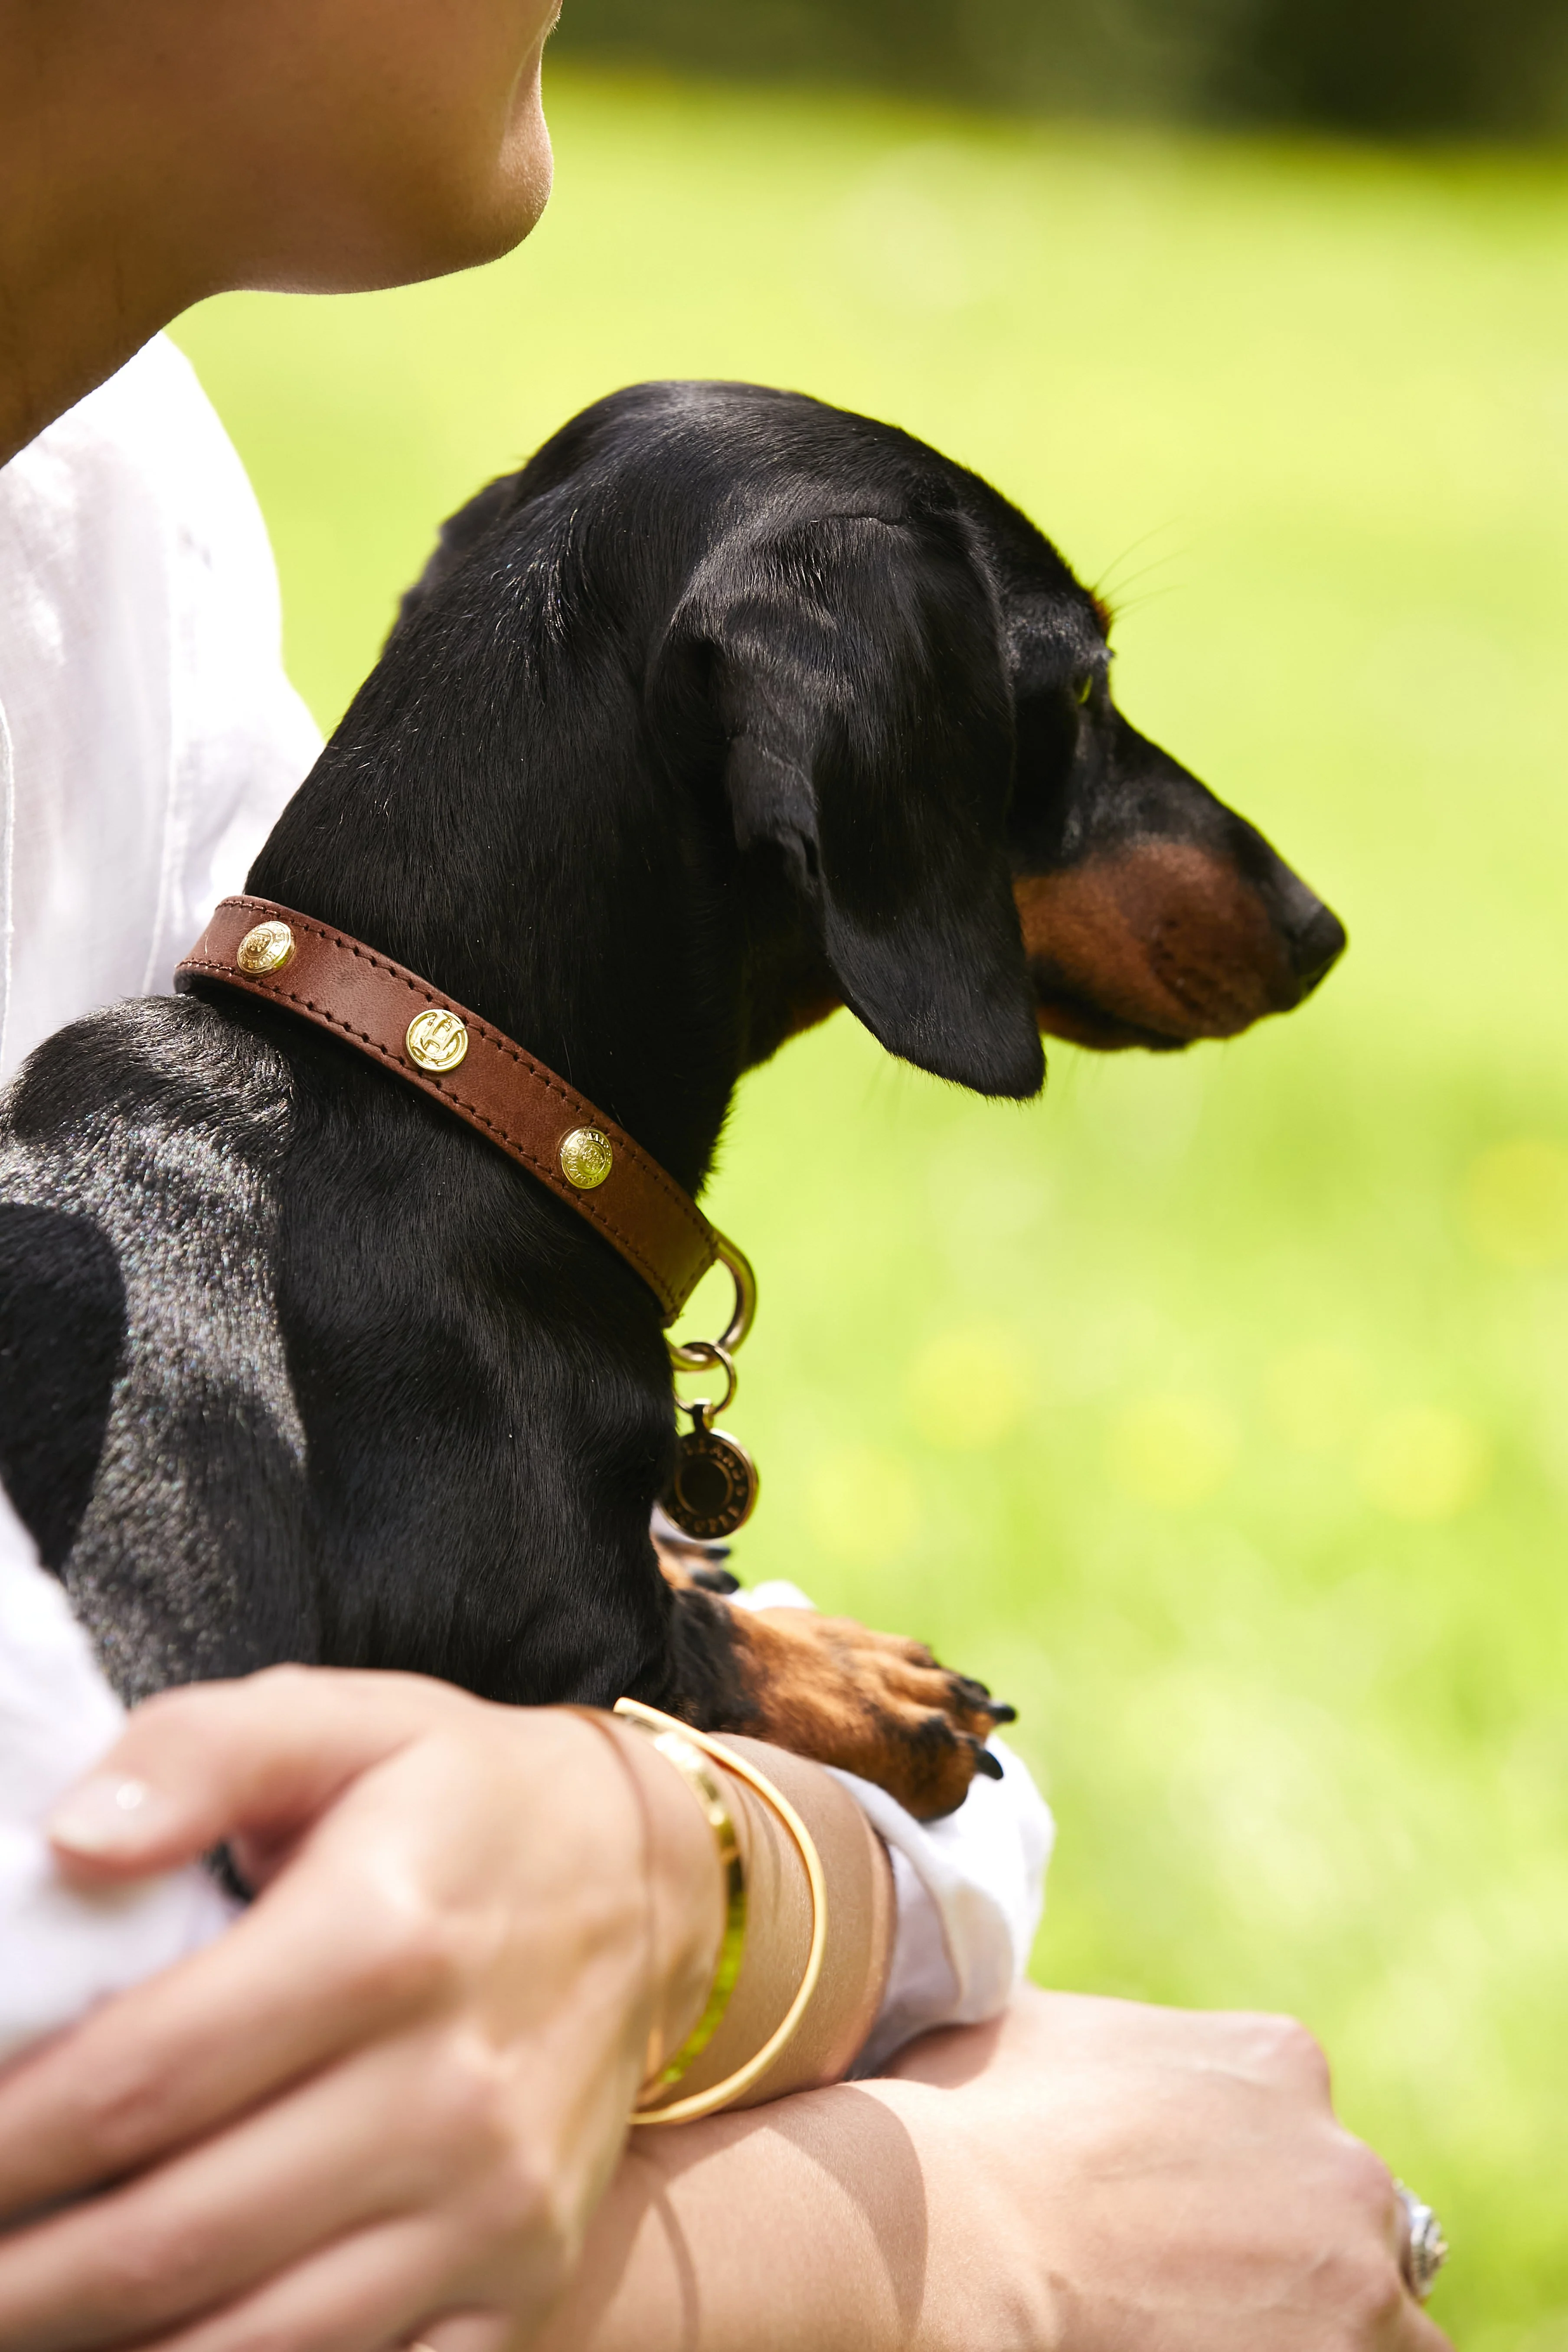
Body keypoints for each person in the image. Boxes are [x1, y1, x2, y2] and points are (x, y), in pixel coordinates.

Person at [0, 3, 1451, 2345]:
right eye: (1054, 731)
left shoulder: (90, 513)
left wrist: (671, 1867)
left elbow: (957, 1816)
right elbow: (115, 2184)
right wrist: (989, 2255)